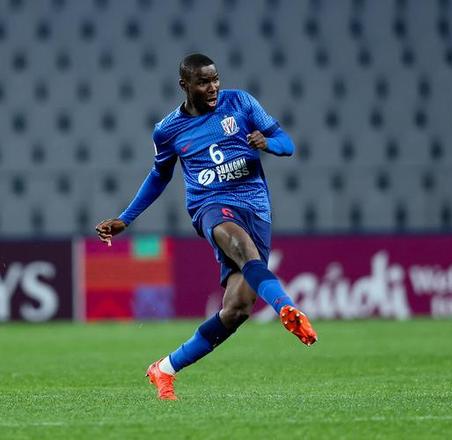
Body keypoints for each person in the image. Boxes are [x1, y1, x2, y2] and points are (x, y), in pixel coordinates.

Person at [95, 53, 317, 401]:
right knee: (242, 248)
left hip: (255, 207)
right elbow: (159, 177)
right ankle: (286, 308)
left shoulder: (241, 103)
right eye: (203, 82)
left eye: (215, 79)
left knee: (237, 310)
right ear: (184, 85)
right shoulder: (168, 130)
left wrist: (268, 144)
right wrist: (126, 218)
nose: (212, 87)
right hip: (210, 205)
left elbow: (287, 144)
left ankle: (164, 368)